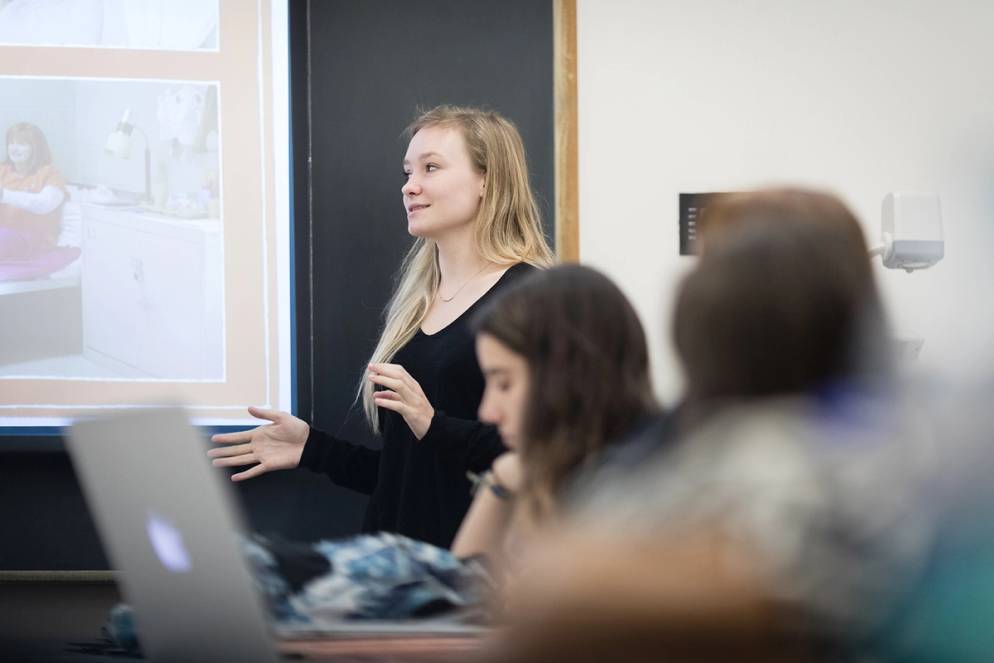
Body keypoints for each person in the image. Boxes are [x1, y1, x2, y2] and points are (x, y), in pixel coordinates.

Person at [485, 189, 920, 662]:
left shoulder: (773, 467)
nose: (491, 408)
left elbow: (556, 598)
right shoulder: (911, 468)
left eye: (504, 382)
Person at [209, 106, 554, 548]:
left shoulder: (532, 299)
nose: (410, 186)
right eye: (408, 171)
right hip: (394, 570)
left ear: (488, 180)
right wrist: (312, 449)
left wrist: (435, 424)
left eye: (431, 168)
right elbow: (407, 477)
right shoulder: (418, 303)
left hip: (470, 582)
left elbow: (544, 456)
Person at [451, 264, 660, 570]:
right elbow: (458, 591)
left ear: (567, 376)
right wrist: (500, 480)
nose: (487, 412)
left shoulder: (637, 506)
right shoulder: (546, 478)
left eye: (504, 384)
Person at [0, 122, 67, 261]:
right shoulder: (3, 171)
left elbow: (45, 204)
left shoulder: (50, 174)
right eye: (11, 143)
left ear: (36, 148)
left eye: (22, 144)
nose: (14, 149)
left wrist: (4, 195)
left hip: (33, 241)